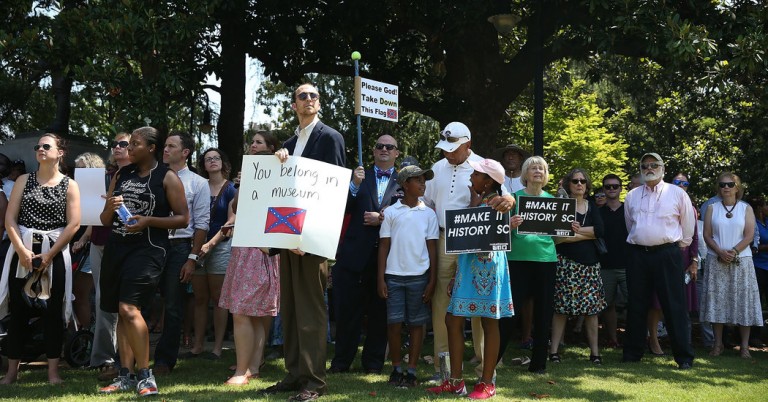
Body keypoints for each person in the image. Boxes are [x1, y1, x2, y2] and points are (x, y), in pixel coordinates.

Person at [261, 83, 345, 402]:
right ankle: (295, 373)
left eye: (314, 95)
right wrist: (279, 162)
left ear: (319, 103)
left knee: (310, 310)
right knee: (291, 309)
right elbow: (285, 192)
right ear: (294, 105)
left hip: (311, 238)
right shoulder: (289, 143)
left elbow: (331, 191)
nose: (308, 100)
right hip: (289, 237)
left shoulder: (330, 137)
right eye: (302, 96)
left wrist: (306, 235)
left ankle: (314, 381)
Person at [98, 126, 189, 396]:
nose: (128, 149)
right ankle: (124, 375)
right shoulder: (121, 174)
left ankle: (145, 376)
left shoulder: (167, 177)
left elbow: (183, 218)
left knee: (129, 309)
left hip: (148, 250)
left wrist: (148, 220)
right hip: (116, 248)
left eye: (134, 144)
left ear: (150, 148)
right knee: (120, 311)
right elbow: (104, 220)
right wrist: (111, 208)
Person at [422, 122, 515, 383]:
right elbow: (427, 204)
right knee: (443, 305)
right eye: (445, 149)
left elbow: (505, 198)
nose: (448, 154)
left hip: (478, 247)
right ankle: (445, 372)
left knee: (481, 310)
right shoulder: (437, 168)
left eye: (453, 149)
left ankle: (484, 373)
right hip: (443, 238)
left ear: (468, 144)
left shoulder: (482, 166)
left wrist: (510, 200)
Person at [0, 134, 81, 385]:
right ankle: (12, 372)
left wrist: (50, 254)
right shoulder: (24, 180)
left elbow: (74, 224)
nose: (40, 150)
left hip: (53, 252)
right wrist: (23, 252)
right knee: (20, 310)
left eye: (46, 146)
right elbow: (10, 220)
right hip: (23, 251)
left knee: (52, 312)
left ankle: (53, 372)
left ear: (60, 152)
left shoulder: (70, 185)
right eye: (38, 147)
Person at [329, 135, 399, 374]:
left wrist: (382, 218)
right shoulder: (358, 176)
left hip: (388, 257)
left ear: (397, 153)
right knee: (348, 313)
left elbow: (410, 214)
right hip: (354, 255)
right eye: (379, 145)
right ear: (372, 150)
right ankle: (341, 362)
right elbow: (339, 208)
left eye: (389, 147)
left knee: (380, 314)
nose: (384, 150)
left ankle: (373, 363)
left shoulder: (405, 181)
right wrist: (354, 186)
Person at [622, 152, 695, 370]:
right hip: (638, 254)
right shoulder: (632, 195)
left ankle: (684, 358)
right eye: (645, 165)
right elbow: (630, 226)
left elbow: (688, 229)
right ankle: (632, 354)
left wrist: (675, 248)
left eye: (654, 164)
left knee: (674, 306)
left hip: (667, 254)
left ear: (662, 168)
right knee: (636, 304)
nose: (649, 168)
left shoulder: (677, 194)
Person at [219, 133, 281, 385]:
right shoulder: (247, 181)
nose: (253, 148)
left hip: (259, 249)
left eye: (258, 144)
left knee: (243, 313)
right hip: (247, 248)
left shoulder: (276, 182)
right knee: (250, 313)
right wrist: (244, 184)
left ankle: (241, 371)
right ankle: (251, 367)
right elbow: (236, 207)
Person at [152, 132, 210, 373]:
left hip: (180, 247)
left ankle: (165, 360)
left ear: (185, 152)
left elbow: (202, 224)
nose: (165, 149)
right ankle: (131, 357)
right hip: (151, 244)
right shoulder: (153, 177)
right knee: (141, 301)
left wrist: (192, 259)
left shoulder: (198, 183)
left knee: (174, 305)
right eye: (164, 145)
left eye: (171, 146)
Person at [378, 165, 438, 388]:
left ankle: (411, 370)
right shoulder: (392, 212)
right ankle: (396, 368)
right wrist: (380, 278)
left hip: (419, 277)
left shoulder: (429, 214)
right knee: (393, 323)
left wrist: (432, 280)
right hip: (393, 276)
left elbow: (432, 248)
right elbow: (383, 246)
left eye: (424, 180)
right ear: (405, 185)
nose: (423, 184)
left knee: (416, 324)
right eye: (418, 180)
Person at [497, 156, 558, 374]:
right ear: (525, 174)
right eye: (533, 168)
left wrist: (568, 228)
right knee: (509, 313)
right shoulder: (513, 199)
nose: (538, 171)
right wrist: (510, 226)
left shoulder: (554, 201)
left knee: (543, 314)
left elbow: (558, 238)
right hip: (517, 261)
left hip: (546, 260)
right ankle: (494, 360)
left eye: (541, 168)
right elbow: (499, 234)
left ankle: (539, 364)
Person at [700, 172, 762, 358]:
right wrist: (720, 252)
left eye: (729, 184)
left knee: (744, 302)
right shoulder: (712, 208)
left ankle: (744, 347)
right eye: (722, 184)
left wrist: (733, 252)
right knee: (717, 303)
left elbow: (749, 235)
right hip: (716, 259)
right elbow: (707, 235)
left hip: (741, 261)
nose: (725, 187)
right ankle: (717, 345)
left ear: (737, 187)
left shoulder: (746, 208)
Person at [183, 147, 236, 363]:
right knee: (199, 298)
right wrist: (199, 246)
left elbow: (232, 221)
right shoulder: (199, 187)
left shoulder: (232, 188)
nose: (213, 161)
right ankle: (197, 347)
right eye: (208, 159)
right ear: (203, 165)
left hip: (221, 246)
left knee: (219, 298)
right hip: (197, 246)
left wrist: (211, 244)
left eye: (217, 158)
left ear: (223, 163)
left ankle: (216, 348)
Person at [549, 168, 606, 364]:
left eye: (583, 181)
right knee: (561, 309)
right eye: (575, 181)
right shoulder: (561, 207)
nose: (579, 184)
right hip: (566, 265)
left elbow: (599, 231)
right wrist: (584, 234)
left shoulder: (593, 207)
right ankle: (554, 351)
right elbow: (557, 238)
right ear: (568, 185)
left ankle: (595, 353)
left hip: (590, 266)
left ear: (587, 185)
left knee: (592, 311)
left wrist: (574, 232)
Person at [90, 133, 131, 381]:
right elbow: (96, 214)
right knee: (102, 300)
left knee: (127, 305)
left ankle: (126, 359)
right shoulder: (108, 175)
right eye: (114, 144)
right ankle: (104, 358)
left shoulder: (144, 175)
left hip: (130, 245)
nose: (117, 147)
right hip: (101, 241)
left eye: (123, 144)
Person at [70, 153, 106, 330]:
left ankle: (87, 336)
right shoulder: (75, 188)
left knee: (81, 293)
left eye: (83, 168)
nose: (80, 171)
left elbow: (96, 219)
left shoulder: (99, 189)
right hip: (74, 245)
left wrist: (84, 238)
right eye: (78, 168)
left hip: (89, 246)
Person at [598, 174, 629, 348]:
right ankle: (612, 339)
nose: (611, 189)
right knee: (607, 304)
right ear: (603, 189)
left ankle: (633, 338)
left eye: (615, 186)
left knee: (634, 303)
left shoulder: (629, 211)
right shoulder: (598, 212)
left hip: (627, 265)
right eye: (608, 186)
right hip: (605, 265)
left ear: (621, 188)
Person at [748, 195, 767, 347]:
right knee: (757, 301)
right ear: (760, 208)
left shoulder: (766, 222)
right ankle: (754, 336)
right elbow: (753, 245)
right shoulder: (753, 223)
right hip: (758, 266)